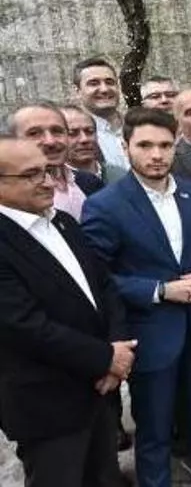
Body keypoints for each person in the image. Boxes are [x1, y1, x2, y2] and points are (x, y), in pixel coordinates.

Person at [81, 107, 191, 487]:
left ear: (176, 145)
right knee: (154, 430)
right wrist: (158, 291)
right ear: (125, 146)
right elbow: (97, 278)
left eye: (164, 145)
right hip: (150, 334)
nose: (156, 154)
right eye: (145, 145)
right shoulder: (105, 205)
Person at [0, 135, 131, 487]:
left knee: (104, 477)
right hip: (47, 404)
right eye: (31, 175)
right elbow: (24, 326)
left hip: (99, 391)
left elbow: (105, 287)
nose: (47, 182)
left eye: (46, 171)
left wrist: (118, 348)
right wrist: (106, 358)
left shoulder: (64, 223)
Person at [7, 102, 101, 218]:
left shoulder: (90, 182)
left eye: (57, 131)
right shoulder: (10, 201)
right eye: (34, 133)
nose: (50, 141)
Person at [72, 57, 128, 170]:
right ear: (78, 91)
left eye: (109, 82)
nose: (104, 89)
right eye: (94, 83)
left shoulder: (138, 126)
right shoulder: (74, 137)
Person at [63, 103, 128, 185]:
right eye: (73, 133)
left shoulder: (121, 175)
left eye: (89, 131)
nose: (84, 139)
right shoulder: (55, 184)